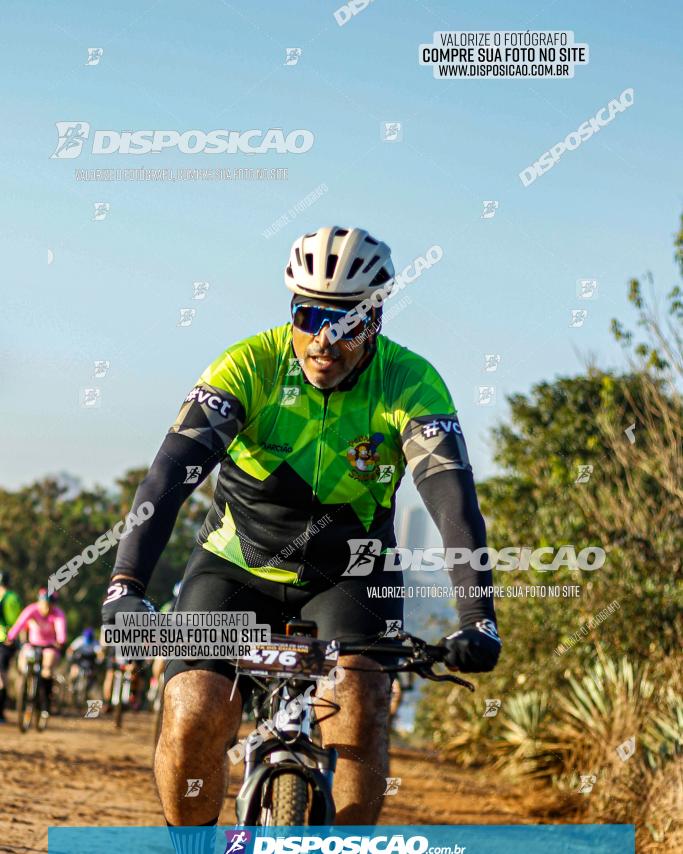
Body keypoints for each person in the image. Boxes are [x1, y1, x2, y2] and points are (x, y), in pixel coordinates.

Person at [101, 226, 501, 835]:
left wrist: (479, 616)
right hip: (236, 565)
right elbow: (166, 481)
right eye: (309, 315)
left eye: (345, 322)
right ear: (291, 308)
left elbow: (453, 505)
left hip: (349, 574)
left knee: (360, 713)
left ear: (376, 320)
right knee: (193, 712)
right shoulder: (249, 365)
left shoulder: (411, 382)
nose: (324, 339)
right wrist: (125, 581)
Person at [8, 588, 67, 720]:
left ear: (53, 604)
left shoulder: (58, 614)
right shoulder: (32, 609)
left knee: (47, 667)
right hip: (33, 644)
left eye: (48, 605)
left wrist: (61, 640)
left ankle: (46, 703)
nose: (45, 608)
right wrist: (11, 636)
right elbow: (19, 624)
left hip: (49, 646)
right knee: (24, 659)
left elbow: (60, 628)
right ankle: (26, 682)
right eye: (43, 604)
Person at [0, 570, 22, 722]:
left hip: (4, 641)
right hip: (6, 641)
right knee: (2, 677)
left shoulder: (10, 598)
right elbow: (16, 622)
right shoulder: (13, 598)